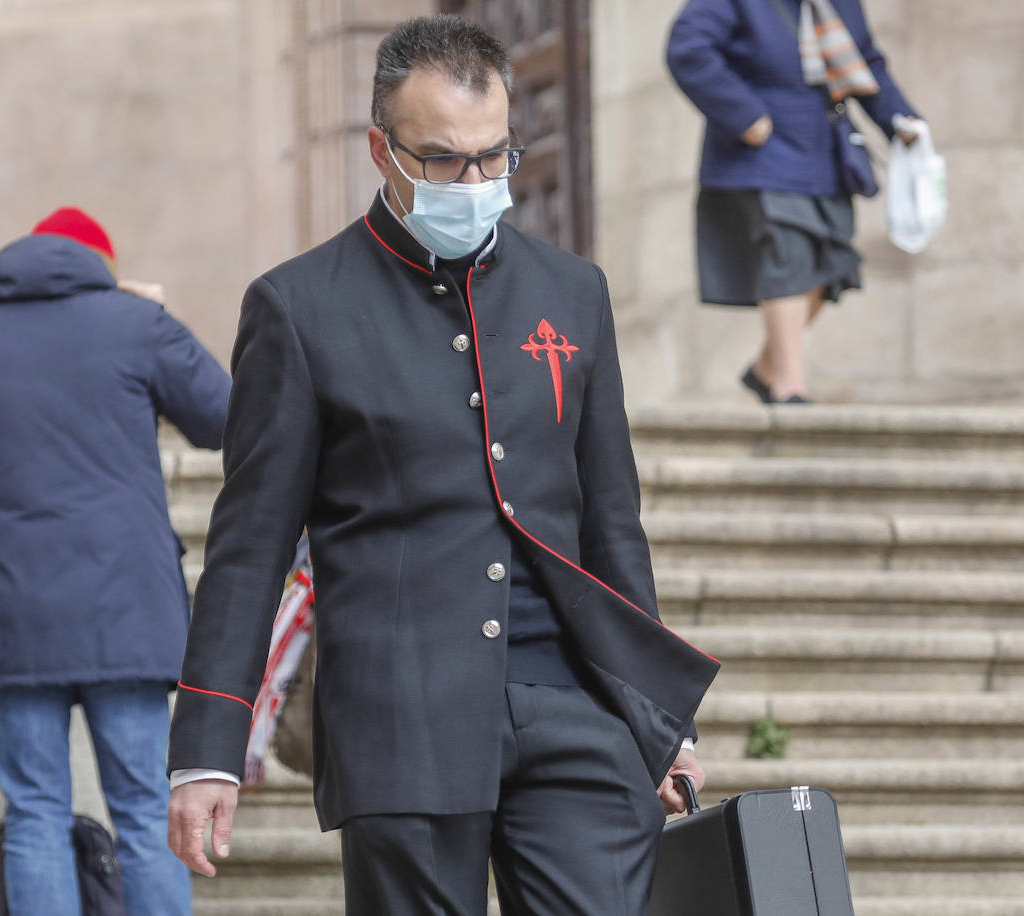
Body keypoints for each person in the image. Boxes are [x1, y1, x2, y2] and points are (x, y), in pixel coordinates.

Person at [166, 15, 720, 915]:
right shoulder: (298, 309)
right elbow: (249, 549)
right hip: (400, 717)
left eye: (493, 156)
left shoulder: (574, 293)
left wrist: (663, 723)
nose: (474, 181)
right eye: (444, 159)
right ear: (382, 151)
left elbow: (612, 523)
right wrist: (208, 745)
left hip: (575, 711)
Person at [0, 206, 231, 916]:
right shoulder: (137, 325)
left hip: (11, 608)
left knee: (33, 814)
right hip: (125, 609)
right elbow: (224, 418)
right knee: (147, 812)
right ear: (101, 266)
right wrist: (159, 320)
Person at [667, 0, 924, 403]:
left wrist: (903, 123)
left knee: (833, 267)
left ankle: (766, 370)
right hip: (765, 153)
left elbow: (866, 64)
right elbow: (687, 49)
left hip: (825, 151)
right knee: (789, 252)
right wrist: (744, 114)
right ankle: (790, 387)